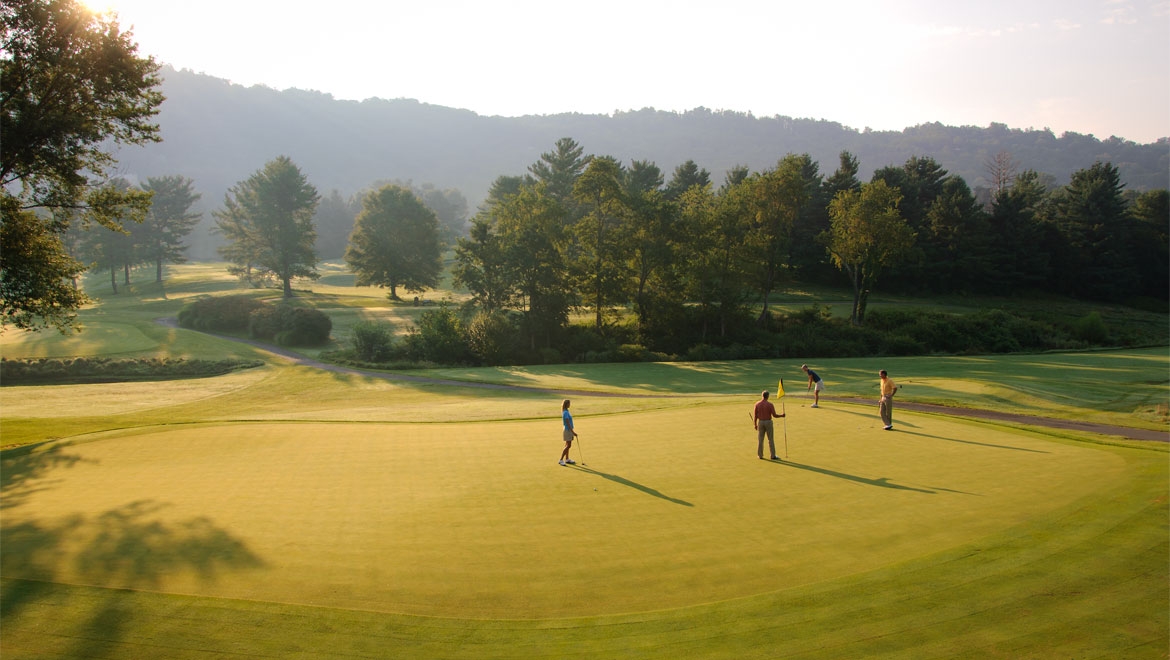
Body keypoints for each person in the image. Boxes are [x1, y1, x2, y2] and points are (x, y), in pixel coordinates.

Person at [752, 390, 785, 460]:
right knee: (770, 439)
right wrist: (782, 415)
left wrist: (755, 424)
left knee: (760, 439)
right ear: (768, 396)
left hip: (760, 422)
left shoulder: (757, 404)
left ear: (762, 396)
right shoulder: (770, 404)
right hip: (768, 422)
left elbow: (755, 416)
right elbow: (775, 415)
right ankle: (772, 455)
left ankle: (760, 455)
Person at [559, 399, 578, 465]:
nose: (570, 404)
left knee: (567, 445)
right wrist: (573, 432)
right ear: (566, 404)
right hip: (567, 430)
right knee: (568, 446)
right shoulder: (565, 413)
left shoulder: (567, 411)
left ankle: (567, 459)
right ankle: (561, 459)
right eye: (569, 403)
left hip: (569, 430)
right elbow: (568, 424)